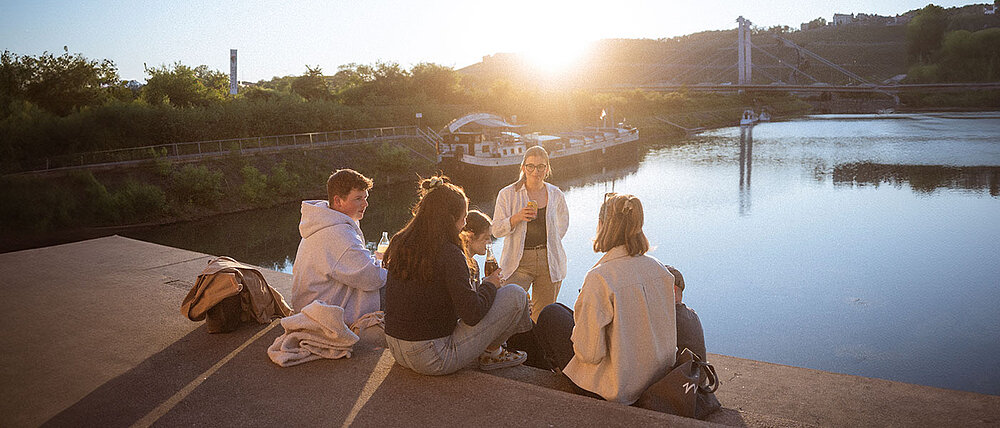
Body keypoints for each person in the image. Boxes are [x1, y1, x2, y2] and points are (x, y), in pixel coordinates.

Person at [534, 193, 677, 405]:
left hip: (618, 389)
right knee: (563, 312)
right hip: (657, 377)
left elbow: (589, 354)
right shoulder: (661, 270)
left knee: (550, 314)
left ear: (602, 225)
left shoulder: (600, 277)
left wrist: (580, 328)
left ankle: (553, 376)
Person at [383, 175, 533, 375]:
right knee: (516, 294)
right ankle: (493, 352)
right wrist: (490, 284)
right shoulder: (449, 252)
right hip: (432, 357)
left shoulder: (401, 241)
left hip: (396, 348)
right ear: (450, 219)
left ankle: (495, 349)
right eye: (463, 218)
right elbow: (471, 315)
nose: (464, 224)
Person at [290, 169, 387, 326]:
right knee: (398, 284)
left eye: (365, 198)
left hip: (311, 305)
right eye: (358, 199)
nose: (365, 204)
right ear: (338, 201)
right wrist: (392, 266)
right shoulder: (337, 234)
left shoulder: (323, 221)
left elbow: (357, 267)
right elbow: (373, 278)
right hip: (323, 314)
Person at [491, 145, 569, 321]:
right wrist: (516, 218)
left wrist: (551, 243)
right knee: (506, 312)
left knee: (544, 317)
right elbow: (495, 230)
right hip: (518, 263)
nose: (536, 171)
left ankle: (537, 348)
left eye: (541, 166)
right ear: (523, 168)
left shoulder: (556, 194)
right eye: (531, 166)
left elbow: (563, 225)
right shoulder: (507, 194)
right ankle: (509, 348)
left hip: (548, 261)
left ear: (547, 168)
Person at [666, 265, 707, 362]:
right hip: (697, 375)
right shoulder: (692, 315)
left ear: (673, 290)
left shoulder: (670, 318)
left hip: (680, 376)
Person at [459, 210, 493, 287]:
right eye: (486, 238)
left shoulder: (474, 265)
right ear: (470, 237)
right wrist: (489, 285)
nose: (490, 242)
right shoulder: (460, 264)